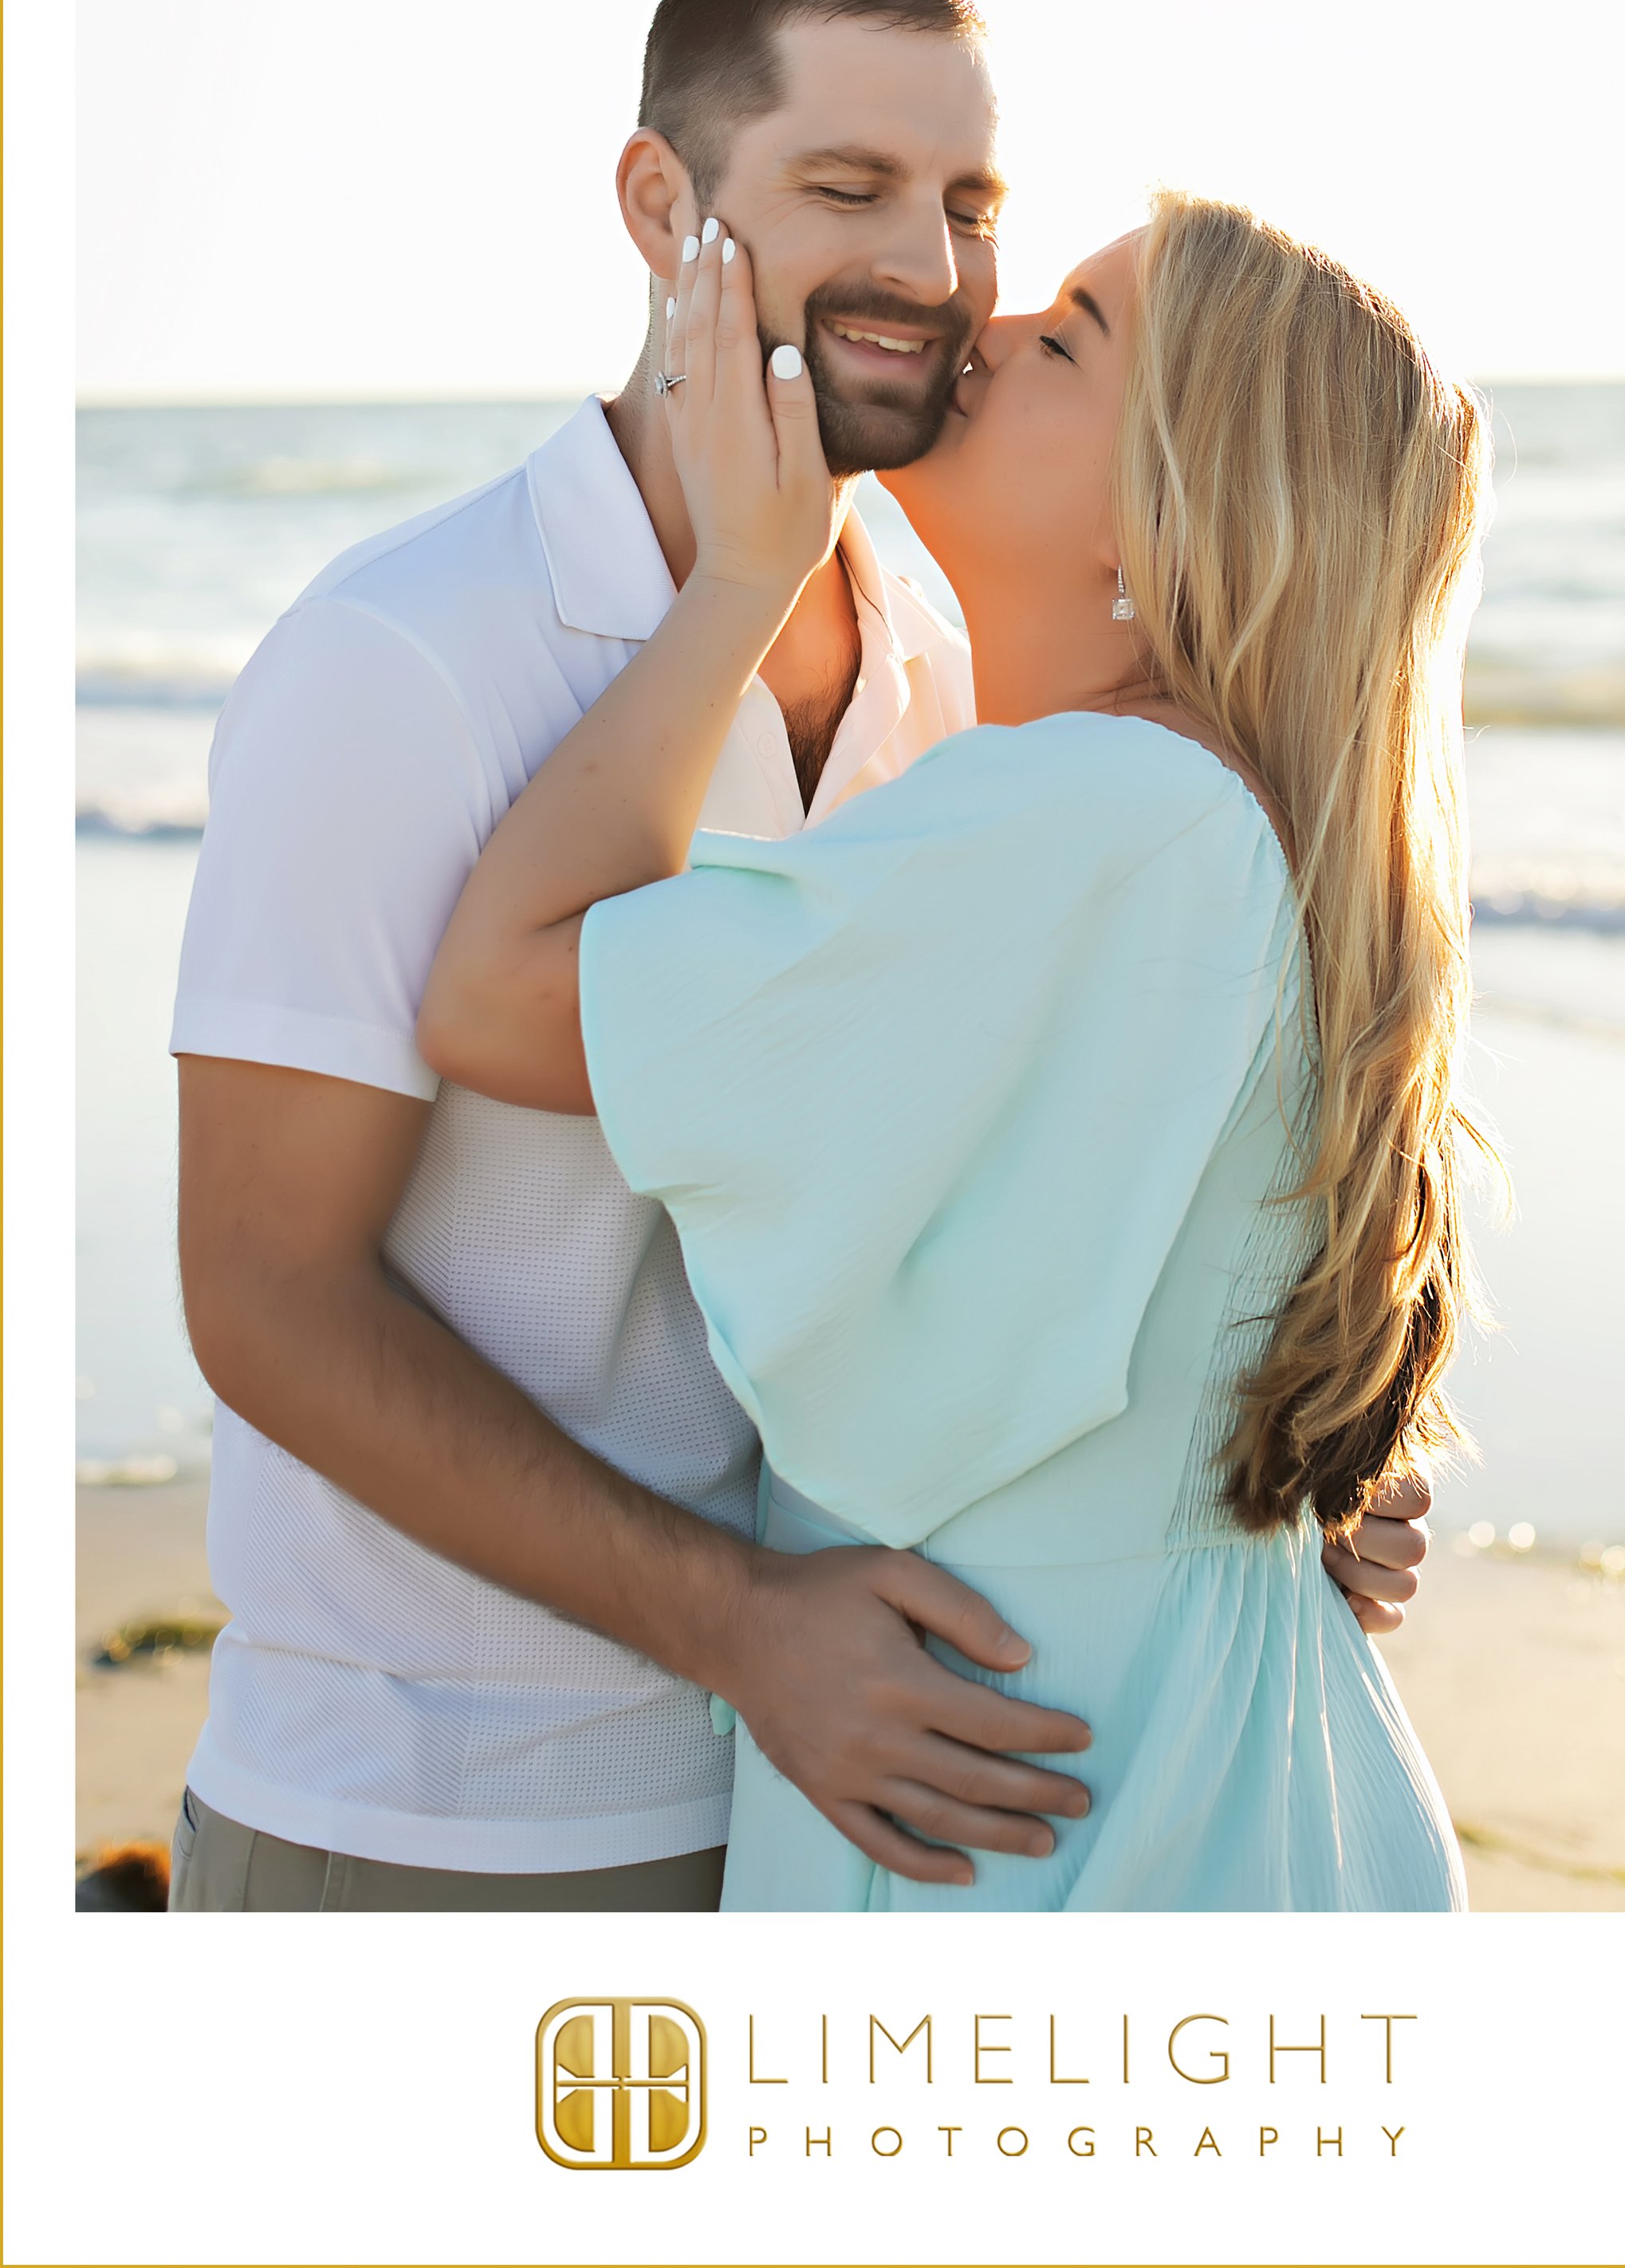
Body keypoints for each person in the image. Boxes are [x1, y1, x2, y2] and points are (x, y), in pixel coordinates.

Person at [169, 0, 1426, 1914]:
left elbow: (1046, 1205)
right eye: (849, 189)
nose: (933, 274)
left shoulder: (957, 668)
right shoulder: (401, 657)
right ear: (661, 202)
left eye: (972, 204)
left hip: (867, 1778)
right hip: (463, 1812)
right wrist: (746, 1622)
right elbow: (261, 1298)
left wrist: (1252, 1470)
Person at [419, 188, 1489, 1908]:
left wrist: (742, 569)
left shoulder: (1096, 814)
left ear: (1166, 511)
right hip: (1168, 1750)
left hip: (1041, 1794)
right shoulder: (1203, 823)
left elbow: (495, 994)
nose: (976, 330)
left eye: (1064, 335)